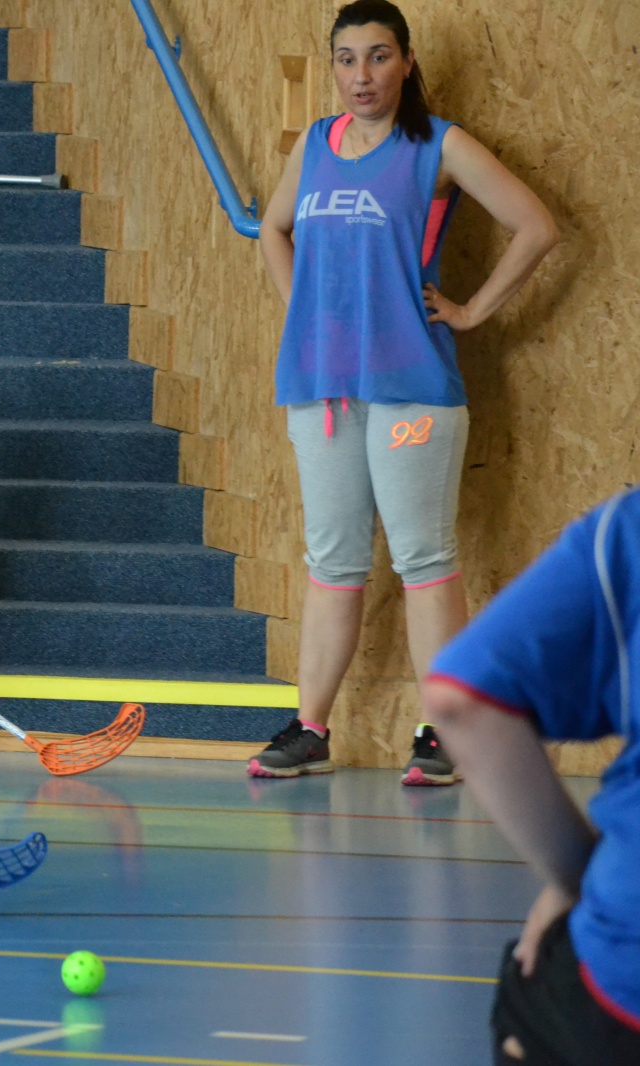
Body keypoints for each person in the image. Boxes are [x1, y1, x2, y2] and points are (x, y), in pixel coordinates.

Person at [249, 0, 558, 783]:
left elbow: (536, 226)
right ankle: (310, 730)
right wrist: (307, 312)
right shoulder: (314, 145)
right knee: (333, 560)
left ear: (407, 62)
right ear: (333, 67)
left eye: (379, 56)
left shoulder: (438, 144)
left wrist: (472, 311)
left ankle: (444, 735)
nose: (362, 75)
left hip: (411, 389)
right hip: (323, 389)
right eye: (347, 59)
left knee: (424, 559)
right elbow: (272, 230)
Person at [422, 489, 640, 1064]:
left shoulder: (626, 533)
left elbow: (461, 697)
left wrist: (576, 881)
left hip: (623, 980)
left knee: (534, 998)